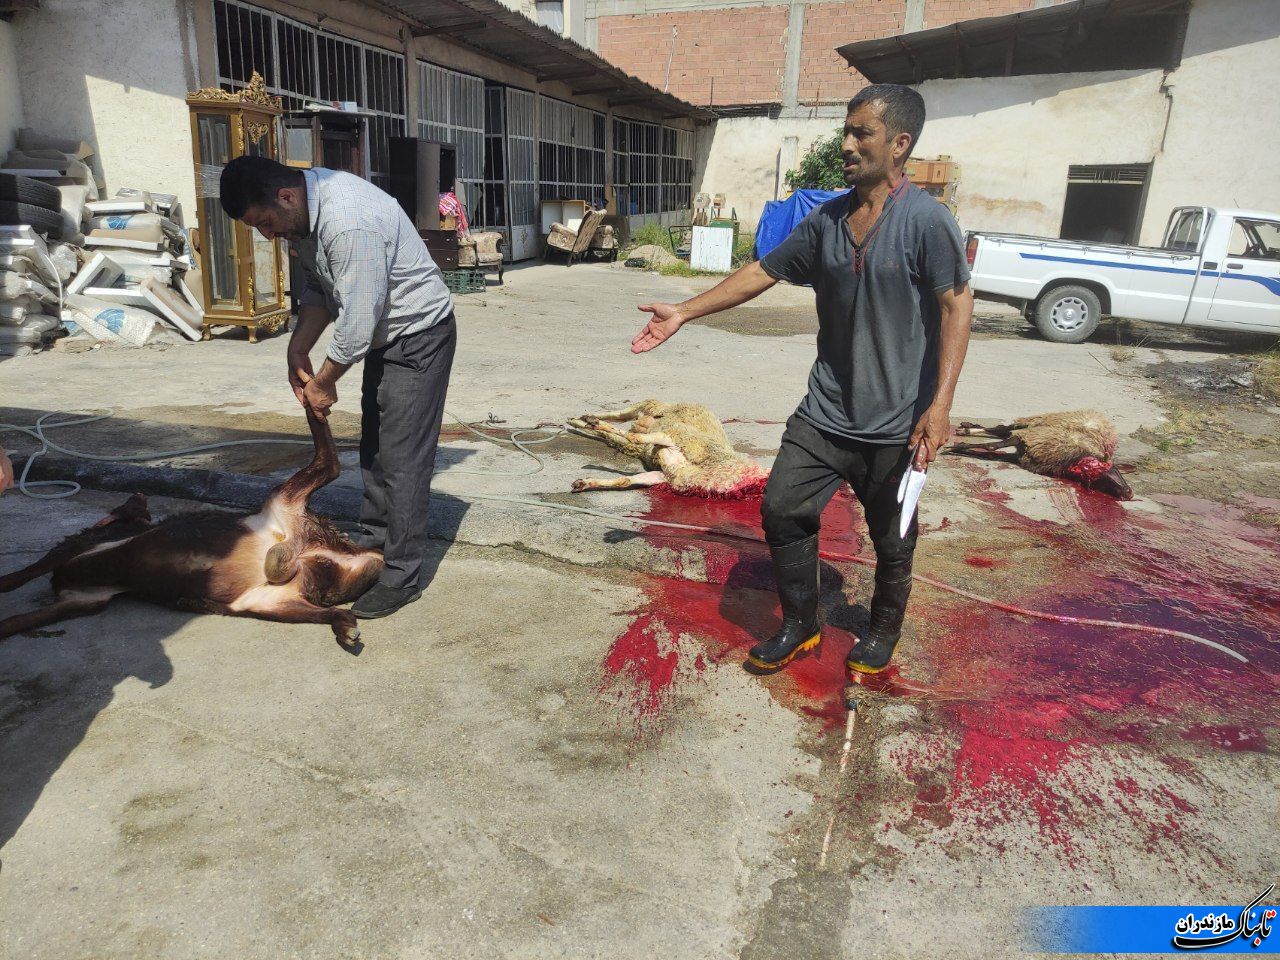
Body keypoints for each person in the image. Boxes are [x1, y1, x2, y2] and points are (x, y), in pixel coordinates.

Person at [631, 84, 973, 677]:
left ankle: (882, 628)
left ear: (899, 144)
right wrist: (684, 311)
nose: (847, 145)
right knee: (783, 508)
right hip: (825, 412)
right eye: (846, 132)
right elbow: (763, 270)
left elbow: (957, 306)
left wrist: (939, 406)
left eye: (862, 133)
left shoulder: (927, 221)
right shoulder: (827, 220)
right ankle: (800, 623)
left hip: (896, 421)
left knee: (892, 538)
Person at [219, 156, 457, 620]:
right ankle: (374, 547)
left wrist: (325, 382)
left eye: (265, 223)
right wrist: (298, 349)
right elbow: (318, 287)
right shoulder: (303, 219)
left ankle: (401, 576)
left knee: (403, 458)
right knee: (376, 449)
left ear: (286, 196)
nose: (268, 235)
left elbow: (359, 320)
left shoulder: (349, 222)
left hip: (419, 335)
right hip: (385, 335)